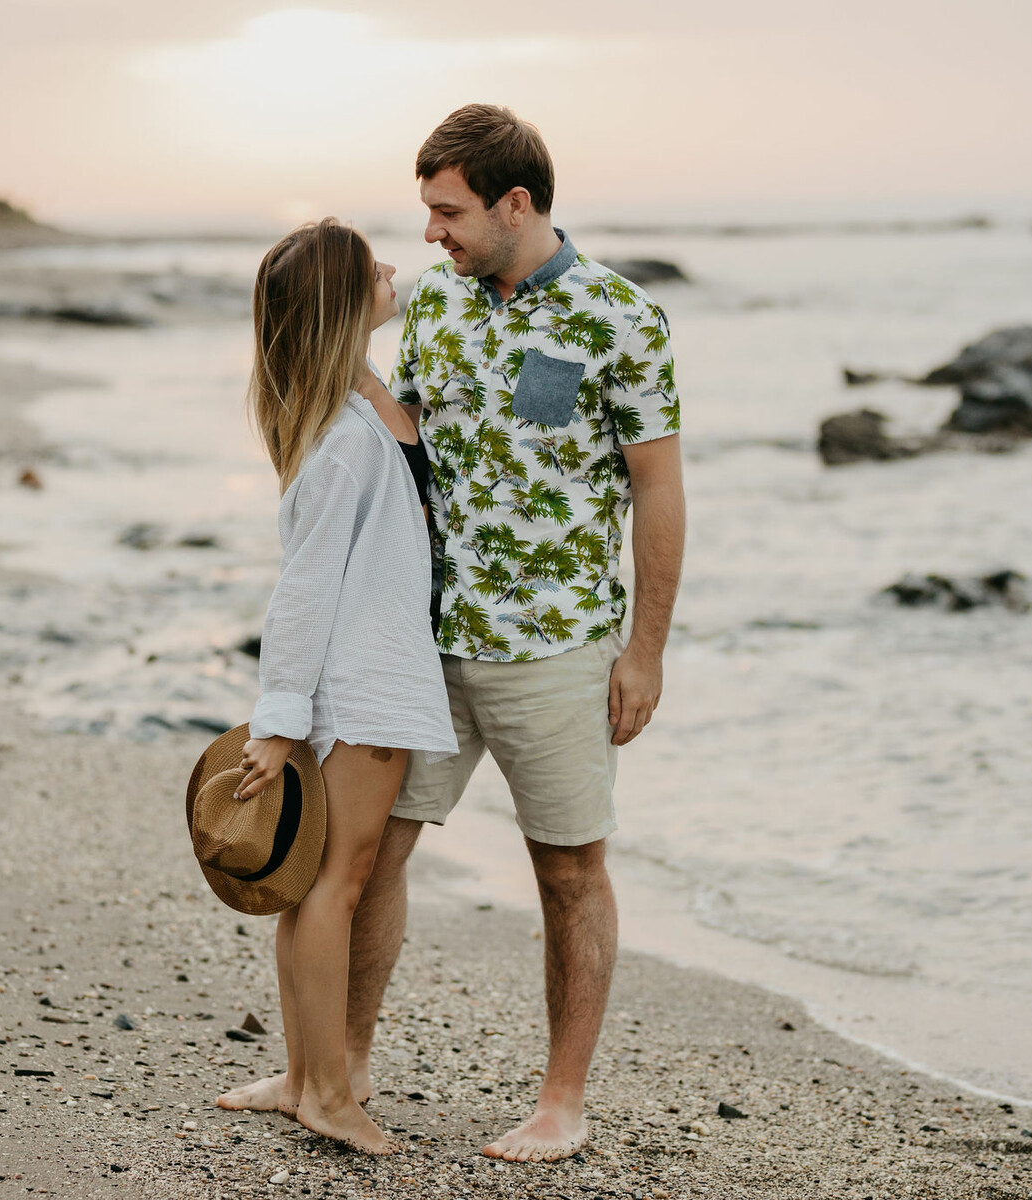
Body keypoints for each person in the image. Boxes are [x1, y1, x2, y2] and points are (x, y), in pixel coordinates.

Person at [351, 102, 689, 1162]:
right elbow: (402, 444)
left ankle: (561, 1103)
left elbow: (660, 493)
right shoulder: (438, 311)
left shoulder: (620, 319)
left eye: (448, 212)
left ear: (516, 202)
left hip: (556, 647)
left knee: (569, 872)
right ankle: (337, 1072)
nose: (431, 235)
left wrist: (646, 651)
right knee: (370, 851)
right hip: (426, 640)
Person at [213, 217, 457, 1155]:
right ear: (341, 302)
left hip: (383, 675)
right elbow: (304, 589)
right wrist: (277, 724)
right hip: (367, 685)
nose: (395, 268)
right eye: (373, 267)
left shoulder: (366, 400)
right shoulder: (344, 441)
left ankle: (305, 1077)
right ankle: (321, 1091)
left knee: (327, 883)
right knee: (334, 886)